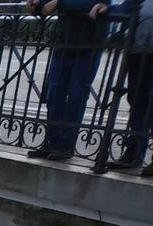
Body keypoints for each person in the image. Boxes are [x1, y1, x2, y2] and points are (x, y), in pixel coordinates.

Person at [27, 0, 112, 162]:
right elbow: (47, 6)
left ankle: (66, 145)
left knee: (76, 97)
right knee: (53, 96)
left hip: (88, 47)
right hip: (64, 45)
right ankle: (53, 143)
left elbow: (94, 5)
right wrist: (35, 5)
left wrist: (59, 2)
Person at [108, 0, 153, 174]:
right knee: (136, 102)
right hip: (137, 52)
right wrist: (106, 8)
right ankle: (134, 153)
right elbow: (124, 9)